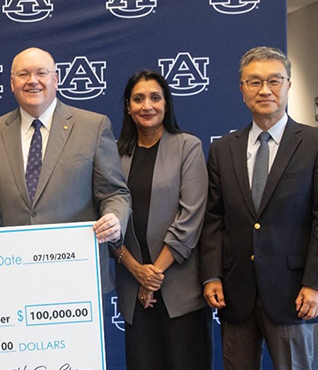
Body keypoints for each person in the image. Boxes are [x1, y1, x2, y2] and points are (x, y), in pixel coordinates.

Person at [199, 46, 318, 370]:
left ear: (289, 85)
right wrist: (211, 275)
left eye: (274, 81)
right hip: (236, 292)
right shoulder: (223, 149)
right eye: (254, 82)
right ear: (242, 90)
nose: (265, 90)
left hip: (294, 292)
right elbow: (213, 218)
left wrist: (317, 283)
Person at [0, 47, 131, 291]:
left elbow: (115, 194)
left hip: (77, 272)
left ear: (56, 79)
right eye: (23, 74)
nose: (33, 81)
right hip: (11, 277)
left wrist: (116, 219)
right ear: (11, 82)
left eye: (41, 73)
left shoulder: (93, 127)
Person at [114, 71, 211, 370]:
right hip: (134, 291)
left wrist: (152, 275)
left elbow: (191, 217)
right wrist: (136, 271)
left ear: (166, 104)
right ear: (128, 107)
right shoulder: (114, 154)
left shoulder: (187, 146)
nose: (147, 106)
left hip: (179, 288)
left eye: (155, 98)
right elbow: (107, 218)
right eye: (138, 99)